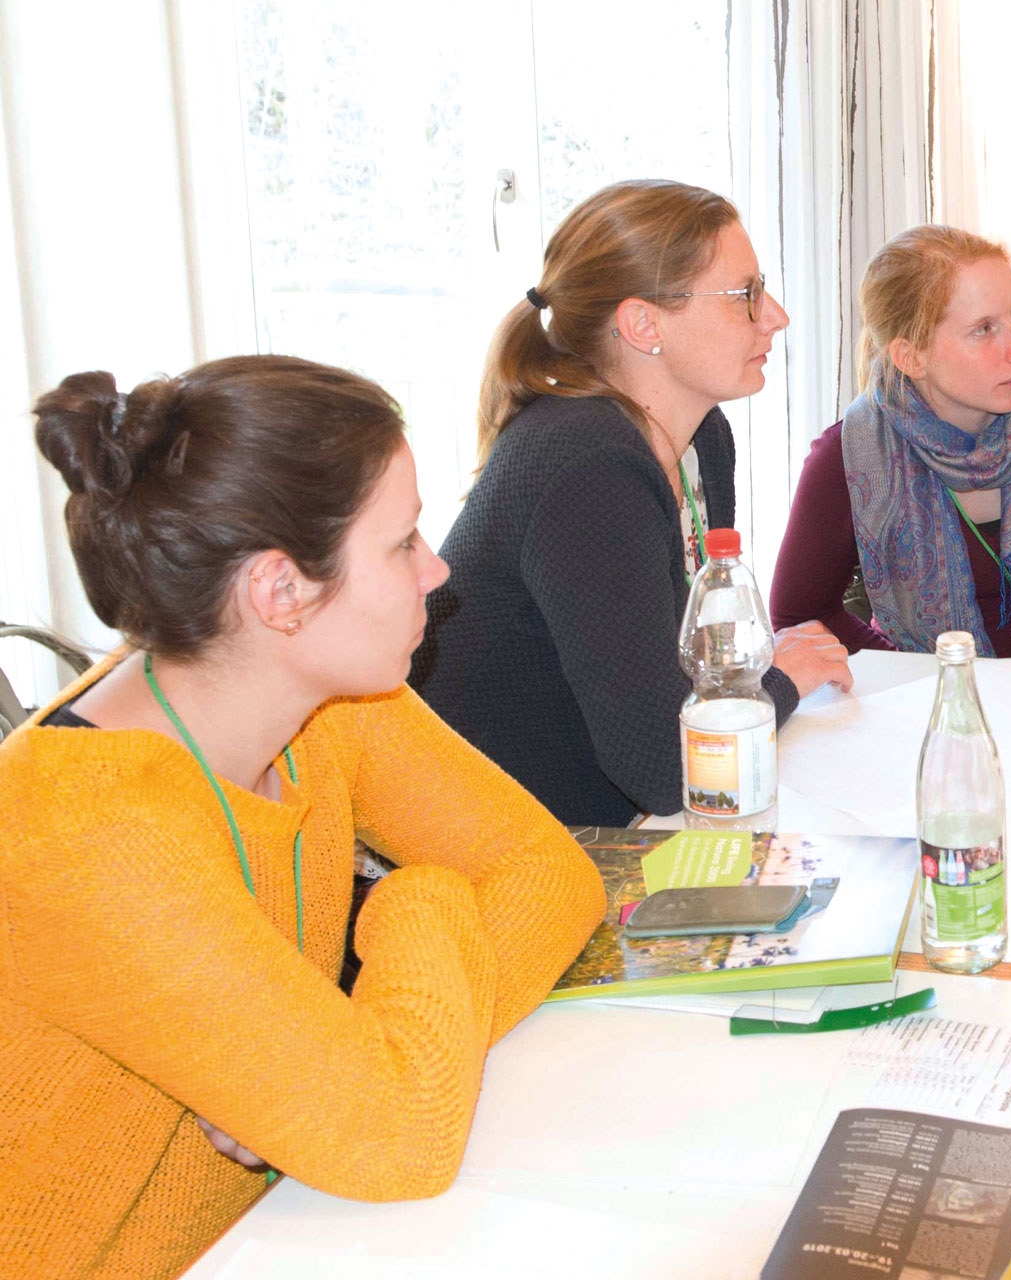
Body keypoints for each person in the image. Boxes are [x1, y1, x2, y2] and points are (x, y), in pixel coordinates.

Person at [3, 357, 606, 1280]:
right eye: (402, 543)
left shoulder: (322, 694)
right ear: (279, 591)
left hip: (287, 1236)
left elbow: (553, 874)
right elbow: (401, 1136)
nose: (438, 570)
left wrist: (345, 1062)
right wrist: (419, 903)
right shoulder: (87, 832)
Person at [410, 180, 851, 825]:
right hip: (489, 852)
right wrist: (777, 683)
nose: (776, 315)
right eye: (745, 295)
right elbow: (666, 768)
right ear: (643, 324)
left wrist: (753, 681)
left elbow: (688, 668)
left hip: (592, 820)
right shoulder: (587, 465)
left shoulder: (701, 437)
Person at [769, 225, 1011, 658]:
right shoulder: (851, 456)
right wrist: (914, 676)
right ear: (911, 357)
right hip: (927, 707)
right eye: (984, 329)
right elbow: (799, 617)